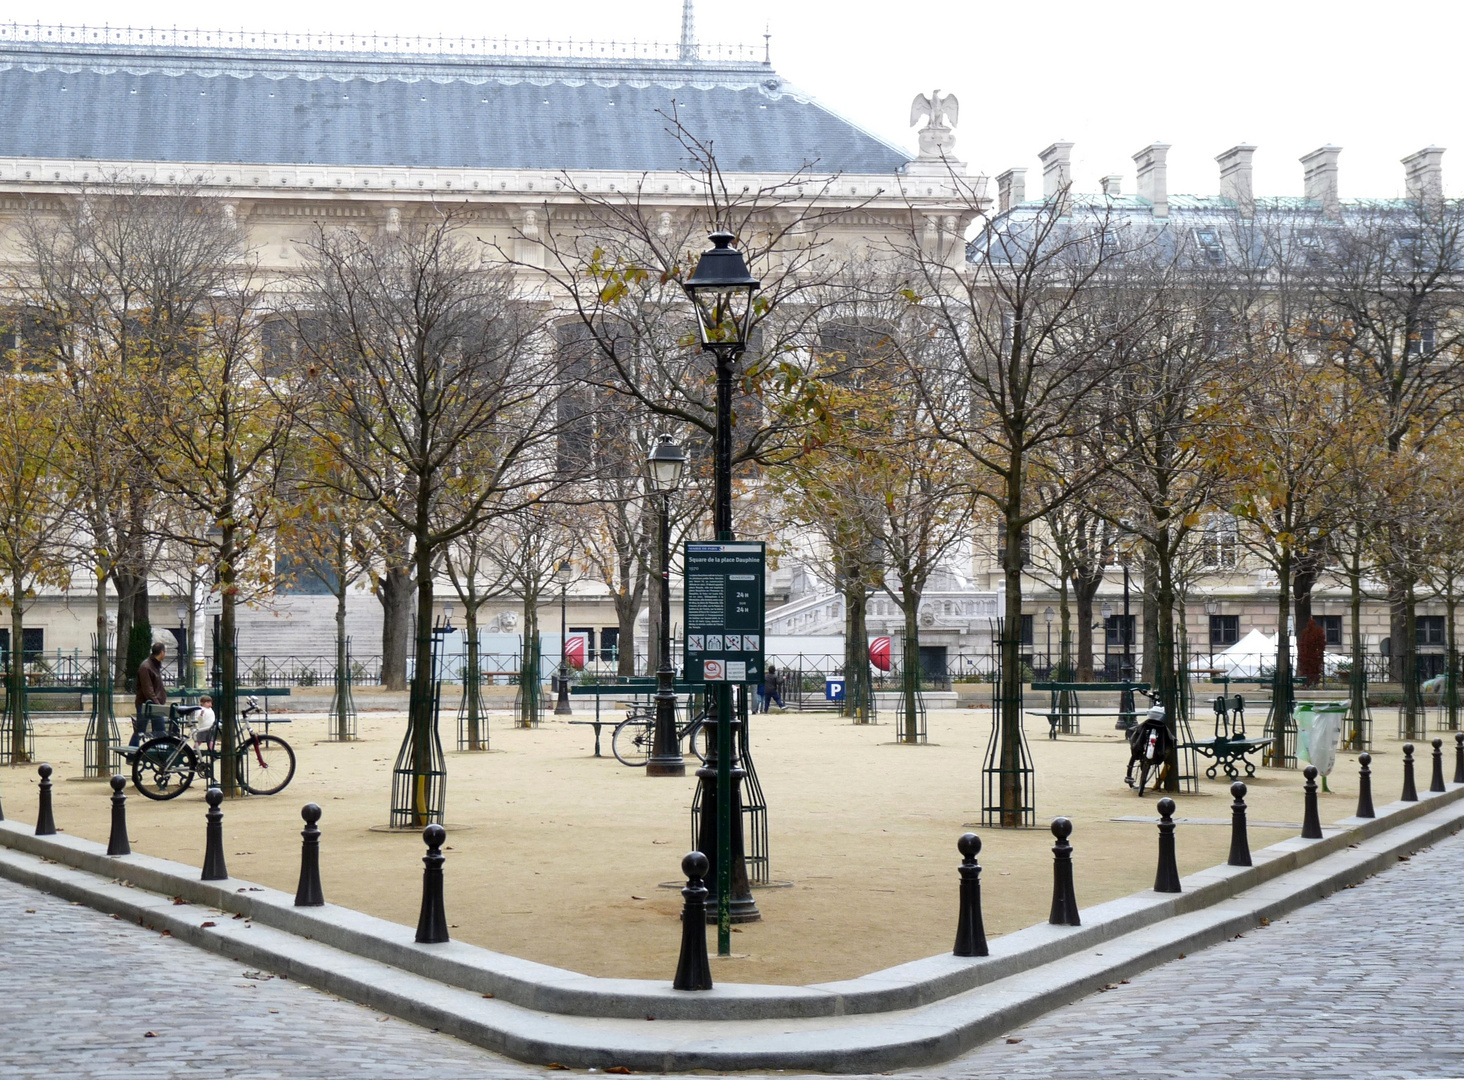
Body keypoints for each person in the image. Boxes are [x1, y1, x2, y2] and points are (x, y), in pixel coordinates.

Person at [131, 642, 168, 746]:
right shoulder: (146, 667)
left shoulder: (153, 665)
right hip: (147, 705)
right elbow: (148, 689)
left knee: (157, 730)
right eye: (165, 652)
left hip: (151, 704)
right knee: (142, 731)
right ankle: (132, 754)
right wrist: (158, 705)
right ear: (162, 652)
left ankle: (160, 753)